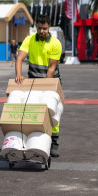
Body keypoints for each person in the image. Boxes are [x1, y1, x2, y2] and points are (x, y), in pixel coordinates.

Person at [15, 14, 63, 157]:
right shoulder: (29, 40)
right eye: (40, 28)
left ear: (49, 28)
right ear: (36, 27)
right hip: (33, 81)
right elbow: (19, 58)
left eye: (45, 29)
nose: (42, 31)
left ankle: (54, 142)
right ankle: (35, 140)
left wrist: (46, 86)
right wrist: (18, 74)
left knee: (52, 111)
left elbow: (51, 68)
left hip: (51, 81)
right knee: (34, 111)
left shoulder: (55, 43)